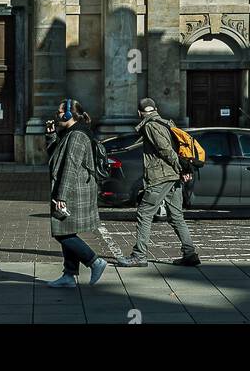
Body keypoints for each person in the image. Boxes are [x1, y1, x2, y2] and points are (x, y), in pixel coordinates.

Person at [115, 98, 200, 268]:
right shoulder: (167, 123)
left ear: (139, 113)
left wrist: (183, 168)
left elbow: (165, 150)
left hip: (160, 177)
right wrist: (181, 170)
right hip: (172, 176)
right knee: (176, 216)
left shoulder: (150, 125)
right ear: (156, 109)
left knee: (144, 214)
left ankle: (139, 255)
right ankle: (190, 254)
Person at [47, 99, 108, 288]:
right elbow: (54, 157)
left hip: (74, 190)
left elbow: (70, 168)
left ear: (68, 114)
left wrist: (61, 196)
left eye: (59, 112)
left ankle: (94, 261)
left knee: (61, 232)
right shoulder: (69, 133)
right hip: (73, 189)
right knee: (67, 230)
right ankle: (69, 275)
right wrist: (50, 136)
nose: (56, 115)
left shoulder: (77, 136)